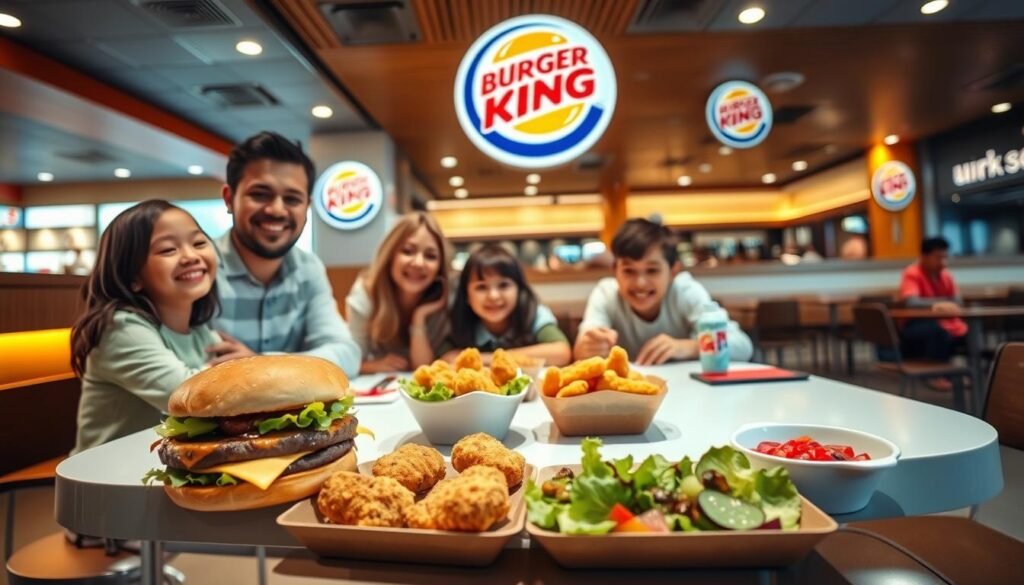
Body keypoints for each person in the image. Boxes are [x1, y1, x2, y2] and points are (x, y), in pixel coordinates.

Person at [70, 200, 220, 454]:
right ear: (133, 277)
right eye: (168, 250)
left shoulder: (200, 330)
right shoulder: (119, 328)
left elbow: (224, 382)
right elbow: (188, 397)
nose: (190, 256)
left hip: (165, 469)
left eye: (198, 243)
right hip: (105, 478)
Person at [209, 131, 361, 376]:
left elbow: (347, 354)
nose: (276, 210)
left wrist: (260, 363)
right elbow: (193, 372)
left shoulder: (308, 269)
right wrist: (293, 366)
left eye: (292, 199)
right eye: (260, 194)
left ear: (307, 207)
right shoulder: (200, 267)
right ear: (229, 198)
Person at [574, 219, 753, 365]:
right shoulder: (606, 293)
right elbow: (581, 348)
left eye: (652, 270)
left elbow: (743, 346)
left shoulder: (685, 291)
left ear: (673, 271)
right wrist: (589, 347)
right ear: (615, 270)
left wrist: (688, 347)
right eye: (629, 271)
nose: (640, 283)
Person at [346, 212, 451, 373]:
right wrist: (373, 366)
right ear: (390, 256)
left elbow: (423, 368)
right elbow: (351, 361)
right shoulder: (365, 295)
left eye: (430, 256)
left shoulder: (447, 300)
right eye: (408, 251)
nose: (418, 263)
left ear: (440, 267)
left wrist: (419, 318)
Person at [446, 244, 571, 366]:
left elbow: (561, 352)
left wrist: (487, 358)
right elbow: (447, 358)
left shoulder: (533, 313)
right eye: (481, 287)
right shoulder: (458, 321)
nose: (493, 296)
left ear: (519, 290)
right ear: (466, 294)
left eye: (503, 285)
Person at [898, 236, 967, 364]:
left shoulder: (946, 275)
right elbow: (911, 302)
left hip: (945, 322)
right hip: (915, 323)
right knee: (939, 333)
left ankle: (966, 373)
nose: (943, 262)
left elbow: (958, 301)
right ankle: (937, 375)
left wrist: (940, 303)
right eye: (938, 258)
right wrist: (941, 303)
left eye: (945, 257)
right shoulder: (912, 273)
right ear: (924, 256)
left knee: (969, 333)